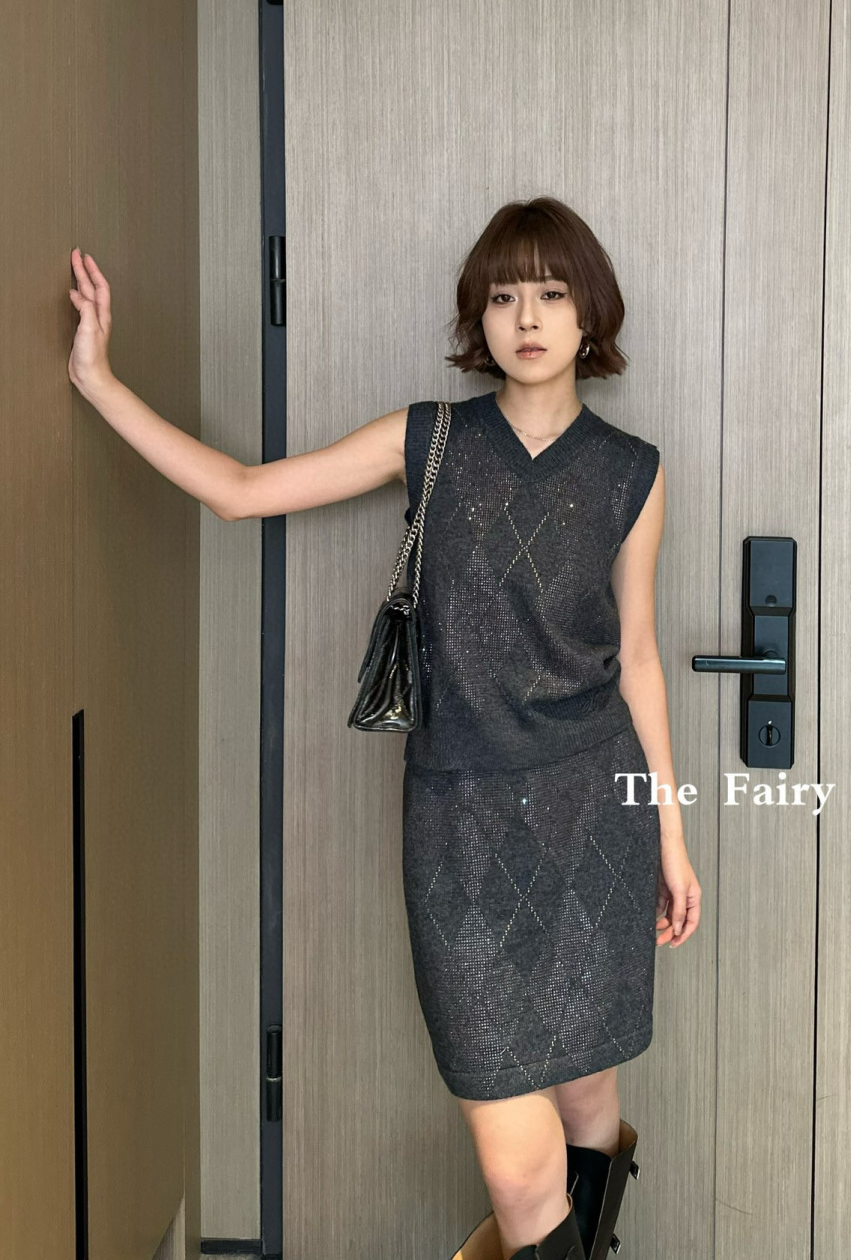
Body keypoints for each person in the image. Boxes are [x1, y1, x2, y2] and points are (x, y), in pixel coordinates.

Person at [66, 195, 702, 1260]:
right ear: (478, 316)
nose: (527, 317)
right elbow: (241, 492)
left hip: (596, 819)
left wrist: (671, 837)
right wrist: (99, 381)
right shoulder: (431, 440)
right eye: (504, 296)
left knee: (590, 1093)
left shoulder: (632, 470)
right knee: (520, 1163)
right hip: (459, 827)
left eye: (551, 293)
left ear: (590, 312)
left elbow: (637, 656)